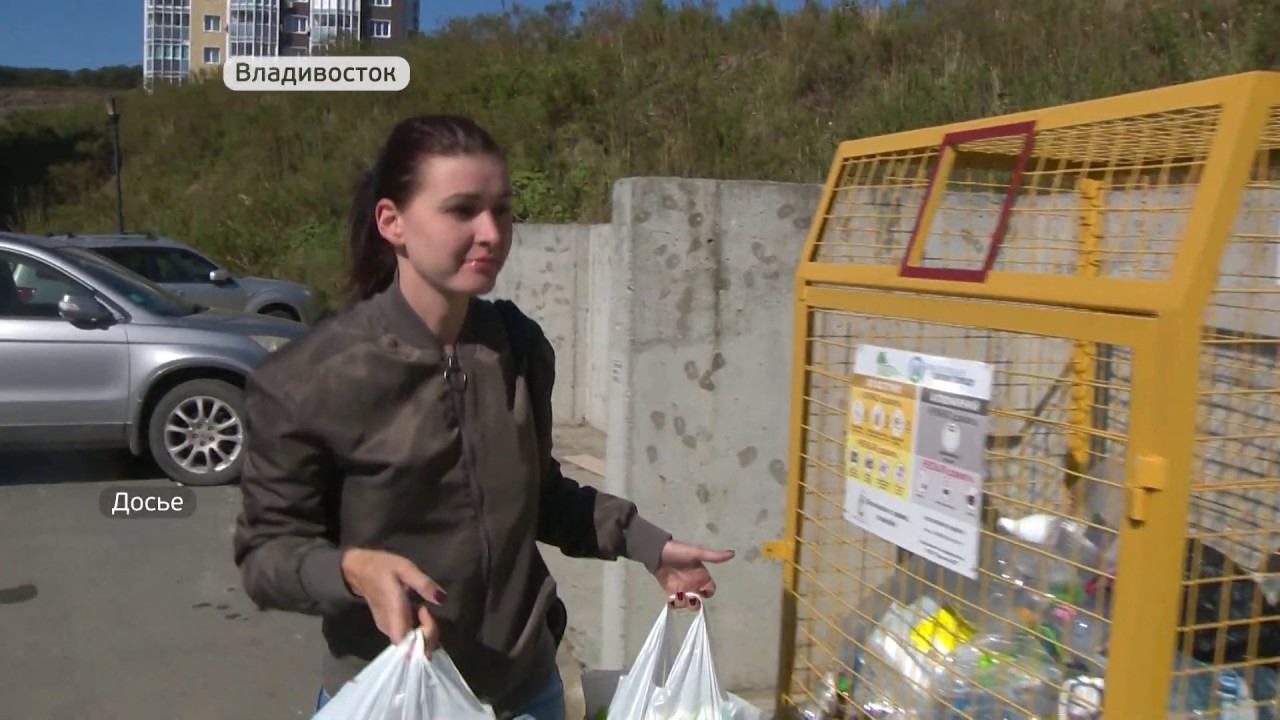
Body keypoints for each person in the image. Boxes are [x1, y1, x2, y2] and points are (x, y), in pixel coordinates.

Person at [231, 114, 735, 720]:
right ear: (392, 222)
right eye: (463, 210)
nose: (491, 231)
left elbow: (539, 494)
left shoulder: (517, 347)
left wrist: (648, 545)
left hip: (525, 690)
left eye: (502, 209)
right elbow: (267, 556)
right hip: (394, 693)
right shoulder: (309, 378)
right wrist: (350, 569)